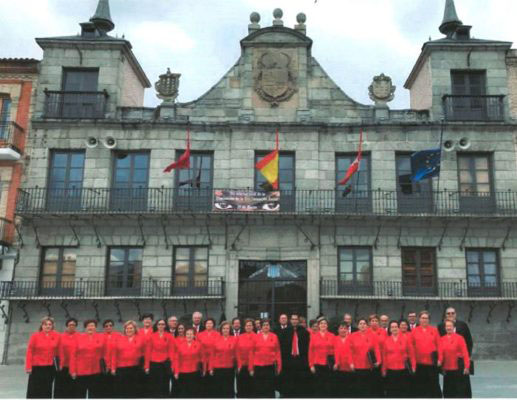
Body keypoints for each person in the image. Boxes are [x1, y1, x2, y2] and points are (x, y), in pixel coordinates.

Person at [438, 307, 473, 397]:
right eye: (448, 313)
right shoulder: (441, 326)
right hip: (448, 362)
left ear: (456, 314)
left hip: (461, 362)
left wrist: (467, 360)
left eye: (452, 313)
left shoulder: (463, 325)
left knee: (462, 387)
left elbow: (469, 342)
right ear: (445, 315)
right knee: (449, 387)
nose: (450, 315)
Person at [26, 316, 61, 399]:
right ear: (42, 325)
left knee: (47, 389)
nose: (47, 326)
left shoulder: (57, 336)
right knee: (34, 388)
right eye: (45, 324)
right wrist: (28, 367)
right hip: (36, 367)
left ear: (52, 325)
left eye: (50, 324)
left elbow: (59, 352)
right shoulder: (35, 336)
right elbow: (30, 351)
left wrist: (60, 366)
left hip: (50, 367)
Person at [409, 310, 442, 398]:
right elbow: (411, 349)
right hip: (419, 365)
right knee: (420, 388)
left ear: (429, 320)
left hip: (432, 365)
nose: (424, 320)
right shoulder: (414, 331)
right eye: (423, 318)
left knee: (434, 387)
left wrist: (440, 359)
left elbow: (439, 346)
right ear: (419, 319)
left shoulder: (434, 330)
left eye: (426, 318)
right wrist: (413, 363)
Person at [70, 319, 105, 398]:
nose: (90, 327)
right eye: (88, 326)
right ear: (85, 327)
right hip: (81, 371)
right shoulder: (78, 338)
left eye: (92, 326)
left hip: (96, 371)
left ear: (95, 327)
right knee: (79, 394)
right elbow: (73, 355)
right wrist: (73, 371)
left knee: (95, 394)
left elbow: (104, 353)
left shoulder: (101, 337)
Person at [111, 320, 146, 399]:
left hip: (135, 369)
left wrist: (145, 366)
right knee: (123, 391)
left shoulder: (141, 339)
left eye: (131, 328)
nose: (129, 330)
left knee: (134, 391)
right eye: (127, 328)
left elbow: (145, 354)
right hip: (121, 369)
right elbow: (114, 355)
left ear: (135, 329)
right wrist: (113, 368)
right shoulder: (119, 339)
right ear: (124, 329)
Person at [347, 318, 380, 398]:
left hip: (369, 366)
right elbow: (349, 351)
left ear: (367, 325)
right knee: (357, 389)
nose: (362, 325)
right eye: (360, 323)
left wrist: (378, 361)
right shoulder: (352, 336)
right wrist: (351, 363)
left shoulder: (373, 335)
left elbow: (376, 349)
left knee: (368, 388)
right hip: (357, 366)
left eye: (364, 323)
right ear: (358, 326)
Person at [382, 320, 415, 398]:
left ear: (399, 328)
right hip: (391, 370)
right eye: (392, 327)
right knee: (391, 392)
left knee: (403, 392)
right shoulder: (386, 340)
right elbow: (384, 356)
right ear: (390, 329)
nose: (394, 328)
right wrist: (383, 370)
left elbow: (411, 354)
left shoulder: (406, 339)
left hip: (403, 370)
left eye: (396, 327)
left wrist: (413, 366)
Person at [249, 319, 282, 398]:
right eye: (264, 325)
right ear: (261, 327)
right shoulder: (256, 337)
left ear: (269, 326)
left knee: (270, 388)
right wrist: (251, 369)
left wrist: (279, 367)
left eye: (267, 325)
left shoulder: (274, 336)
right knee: (258, 388)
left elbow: (278, 352)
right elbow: (251, 353)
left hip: (269, 367)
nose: (266, 326)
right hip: (258, 367)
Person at [282, 313, 310, 398]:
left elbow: (307, 347)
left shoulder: (304, 332)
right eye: (293, 319)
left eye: (296, 319)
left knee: (300, 380)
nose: (294, 321)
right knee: (289, 379)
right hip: (289, 360)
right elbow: (283, 347)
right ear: (290, 321)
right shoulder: (285, 331)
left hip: (300, 360)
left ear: (298, 321)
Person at [144, 319, 175, 398]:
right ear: (156, 326)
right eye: (159, 324)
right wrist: (147, 366)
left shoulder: (169, 336)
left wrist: (171, 364)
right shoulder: (151, 336)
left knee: (165, 383)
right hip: (154, 364)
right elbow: (148, 352)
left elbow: (171, 351)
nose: (161, 326)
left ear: (165, 326)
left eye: (163, 324)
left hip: (165, 363)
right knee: (154, 384)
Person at [309, 317, 336, 398]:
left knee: (328, 387)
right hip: (317, 364)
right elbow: (311, 351)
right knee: (318, 386)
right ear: (318, 326)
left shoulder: (332, 336)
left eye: (325, 323)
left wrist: (336, 363)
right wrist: (311, 365)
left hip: (328, 365)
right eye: (321, 323)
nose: (323, 325)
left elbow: (335, 350)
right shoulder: (314, 336)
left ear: (327, 325)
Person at [174, 327, 204, 398]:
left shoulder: (199, 345)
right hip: (182, 372)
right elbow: (176, 360)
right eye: (187, 334)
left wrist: (203, 370)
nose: (189, 336)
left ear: (194, 335)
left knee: (194, 392)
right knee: (184, 392)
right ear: (185, 335)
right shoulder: (180, 345)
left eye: (191, 334)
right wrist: (176, 372)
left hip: (195, 371)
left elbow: (202, 358)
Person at [209, 321, 237, 398]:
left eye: (227, 328)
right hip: (218, 368)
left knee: (229, 388)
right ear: (221, 329)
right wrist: (211, 368)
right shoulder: (216, 339)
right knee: (218, 389)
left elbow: (237, 354)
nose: (225, 330)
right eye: (224, 328)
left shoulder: (234, 339)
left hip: (229, 368)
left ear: (230, 329)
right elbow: (212, 355)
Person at [55, 317, 79, 398]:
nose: (72, 326)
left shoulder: (80, 336)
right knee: (61, 388)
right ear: (66, 326)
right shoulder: (60, 337)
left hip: (75, 367)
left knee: (73, 389)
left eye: (74, 325)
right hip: (63, 366)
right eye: (70, 325)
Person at [197, 318, 220, 397]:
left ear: (213, 324)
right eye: (207, 323)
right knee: (202, 380)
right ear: (205, 325)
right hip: (202, 359)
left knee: (213, 379)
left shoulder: (217, 334)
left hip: (214, 359)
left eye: (210, 323)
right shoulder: (199, 334)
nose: (209, 325)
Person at [98, 319, 121, 398]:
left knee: (115, 388)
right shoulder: (100, 336)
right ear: (104, 327)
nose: (108, 327)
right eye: (106, 326)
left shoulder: (118, 335)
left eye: (110, 325)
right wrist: (107, 366)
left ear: (113, 326)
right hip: (104, 366)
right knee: (105, 388)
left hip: (116, 365)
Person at [236, 319, 256, 398]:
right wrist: (239, 365)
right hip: (242, 365)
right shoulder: (240, 337)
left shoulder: (257, 337)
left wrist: (252, 367)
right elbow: (237, 351)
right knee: (241, 386)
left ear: (253, 327)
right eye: (247, 325)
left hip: (253, 365)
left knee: (252, 387)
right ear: (244, 327)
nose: (248, 327)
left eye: (250, 325)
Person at [368, 314, 386, 398]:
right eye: (372, 321)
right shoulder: (366, 331)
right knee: (370, 381)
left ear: (378, 322)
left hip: (381, 359)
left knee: (380, 381)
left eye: (376, 321)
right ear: (369, 323)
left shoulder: (383, 331)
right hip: (369, 359)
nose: (374, 322)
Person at [333, 322, 354, 397]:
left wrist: (352, 363)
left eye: (345, 328)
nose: (343, 330)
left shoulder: (352, 338)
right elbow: (334, 352)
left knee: (350, 390)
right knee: (340, 390)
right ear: (338, 330)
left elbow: (354, 353)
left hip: (350, 367)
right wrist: (336, 363)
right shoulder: (335, 339)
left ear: (348, 330)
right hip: (338, 367)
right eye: (341, 328)